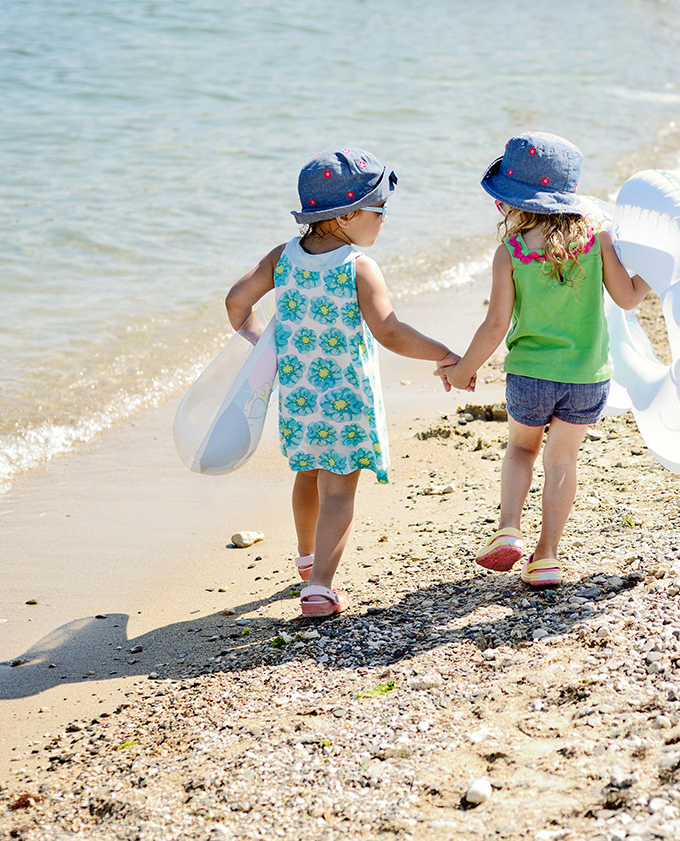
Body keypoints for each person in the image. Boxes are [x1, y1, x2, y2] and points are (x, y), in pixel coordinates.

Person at [226, 147, 459, 617]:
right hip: (346, 400)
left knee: (308, 474)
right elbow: (389, 330)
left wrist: (263, 345)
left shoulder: (282, 257)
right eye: (380, 210)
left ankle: (308, 559)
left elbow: (236, 302)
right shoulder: (356, 266)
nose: (384, 219)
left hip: (299, 396)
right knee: (339, 491)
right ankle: (319, 588)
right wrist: (444, 353)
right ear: (348, 216)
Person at [440, 132, 649, 588]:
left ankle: (509, 530)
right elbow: (630, 298)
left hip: (530, 376)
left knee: (521, 449)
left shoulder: (510, 253)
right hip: (586, 377)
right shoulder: (598, 241)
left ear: (512, 204)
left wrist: (461, 371)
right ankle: (547, 557)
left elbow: (494, 326)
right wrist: (656, 268)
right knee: (562, 461)